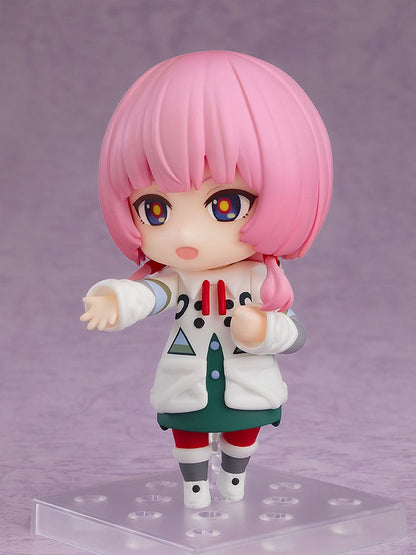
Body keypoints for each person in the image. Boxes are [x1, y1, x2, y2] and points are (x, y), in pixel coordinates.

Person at [81, 50, 333, 509]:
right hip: (188, 377)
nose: (185, 236)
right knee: (189, 429)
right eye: (155, 208)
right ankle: (194, 488)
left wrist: (264, 330)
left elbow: (295, 334)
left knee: (243, 427)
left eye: (224, 205)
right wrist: (118, 299)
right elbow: (152, 293)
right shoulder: (180, 279)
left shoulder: (260, 277)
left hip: (246, 380)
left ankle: (235, 478)